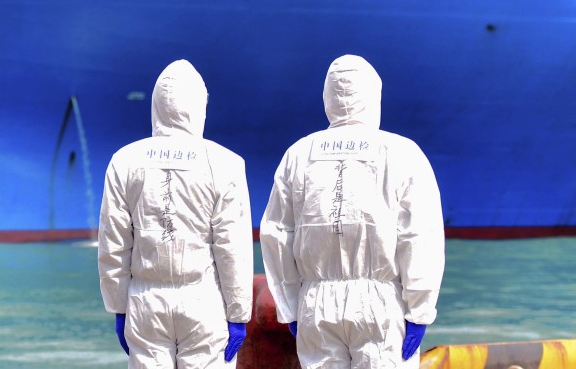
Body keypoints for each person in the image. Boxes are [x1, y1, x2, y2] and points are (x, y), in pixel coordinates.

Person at [259, 55, 445, 368]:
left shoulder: (298, 153)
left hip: (316, 305)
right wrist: (419, 309)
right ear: (374, 96)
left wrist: (290, 306)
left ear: (327, 97)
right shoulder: (403, 152)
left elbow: (276, 235)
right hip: (382, 306)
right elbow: (419, 236)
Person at [98, 59, 253, 368]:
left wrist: (118, 306)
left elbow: (113, 243)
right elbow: (231, 247)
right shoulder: (225, 162)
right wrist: (238, 313)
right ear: (200, 107)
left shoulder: (124, 160)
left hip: (145, 302)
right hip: (204, 301)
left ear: (155, 105)